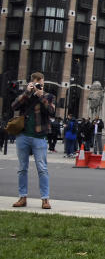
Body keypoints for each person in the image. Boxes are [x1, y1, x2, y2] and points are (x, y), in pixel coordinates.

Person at [11, 71, 56, 209]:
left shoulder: (48, 96)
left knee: (42, 168)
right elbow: (14, 106)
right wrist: (27, 93)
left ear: (43, 82)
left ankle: (45, 199)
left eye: (40, 83)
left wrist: (41, 96)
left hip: (39, 136)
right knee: (22, 169)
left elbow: (51, 111)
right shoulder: (26, 95)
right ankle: (22, 197)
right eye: (36, 82)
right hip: (23, 135)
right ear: (31, 82)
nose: (38, 85)